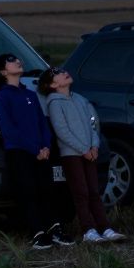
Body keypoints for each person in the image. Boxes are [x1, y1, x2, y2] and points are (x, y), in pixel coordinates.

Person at [0, 53, 73, 250]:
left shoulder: (30, 95)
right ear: (3, 71)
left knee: (48, 189)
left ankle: (55, 228)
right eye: (12, 60)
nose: (18, 61)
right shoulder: (2, 98)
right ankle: (37, 232)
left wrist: (45, 146)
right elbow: (9, 131)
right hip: (20, 153)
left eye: (17, 59)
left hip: (42, 152)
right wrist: (35, 149)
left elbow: (42, 123)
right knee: (28, 192)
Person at [37, 67, 126, 244]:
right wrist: (82, 149)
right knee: (81, 192)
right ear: (53, 84)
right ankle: (88, 230)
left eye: (63, 70)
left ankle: (105, 227)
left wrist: (94, 145)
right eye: (58, 73)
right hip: (72, 154)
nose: (64, 73)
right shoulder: (54, 103)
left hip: (89, 153)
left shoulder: (81, 100)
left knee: (94, 190)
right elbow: (62, 131)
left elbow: (93, 123)